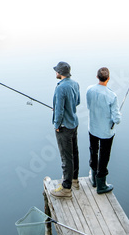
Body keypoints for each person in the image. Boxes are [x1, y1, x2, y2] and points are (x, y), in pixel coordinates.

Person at [86, 66, 121, 194]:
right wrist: (118, 117)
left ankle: (94, 179)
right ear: (108, 78)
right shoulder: (112, 95)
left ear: (97, 77)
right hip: (106, 132)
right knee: (104, 156)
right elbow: (116, 119)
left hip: (93, 128)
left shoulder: (89, 90)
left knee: (93, 151)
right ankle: (101, 184)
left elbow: (89, 105)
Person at [50, 61, 80, 198]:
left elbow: (60, 111)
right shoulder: (75, 84)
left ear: (60, 73)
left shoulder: (60, 88)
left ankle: (66, 188)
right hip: (74, 123)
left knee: (65, 157)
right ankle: (74, 179)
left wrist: (56, 125)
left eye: (56, 70)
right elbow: (77, 101)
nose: (56, 72)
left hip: (64, 127)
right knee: (74, 152)